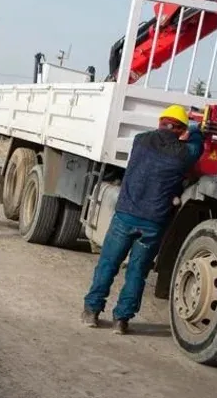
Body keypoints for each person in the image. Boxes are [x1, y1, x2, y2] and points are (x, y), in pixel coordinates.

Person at [81, 104, 204, 334]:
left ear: (160, 123)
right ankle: (121, 321)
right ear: (181, 130)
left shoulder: (140, 141)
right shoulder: (183, 154)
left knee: (108, 264)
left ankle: (91, 311)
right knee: (137, 272)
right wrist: (196, 130)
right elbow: (197, 146)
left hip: (125, 215)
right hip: (153, 223)